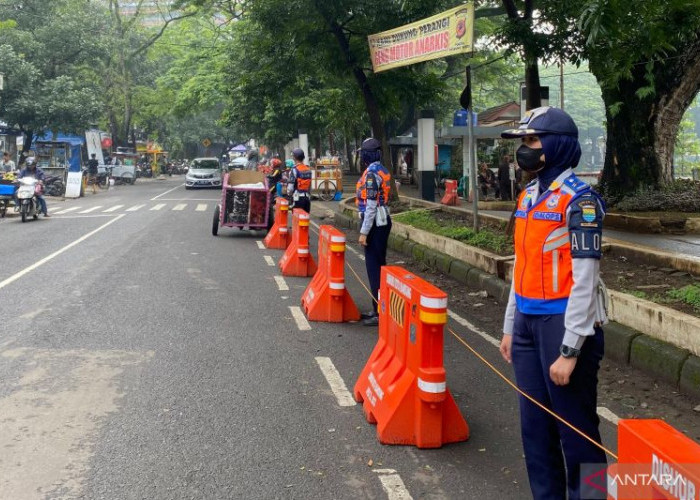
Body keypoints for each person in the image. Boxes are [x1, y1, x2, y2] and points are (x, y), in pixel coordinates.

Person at [498, 106, 607, 500]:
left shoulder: (581, 201)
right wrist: (511, 326)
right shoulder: (527, 196)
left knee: (578, 435)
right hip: (528, 324)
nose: (524, 149)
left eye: (532, 140)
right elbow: (522, 266)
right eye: (523, 142)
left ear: (557, 145)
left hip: (563, 324)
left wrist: (571, 346)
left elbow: (585, 281)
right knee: (535, 431)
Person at [355, 138, 392, 327]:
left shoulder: (370, 174)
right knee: (379, 265)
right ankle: (378, 308)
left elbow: (370, 206)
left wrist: (363, 232)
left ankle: (379, 311)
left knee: (374, 268)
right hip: (383, 219)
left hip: (375, 222)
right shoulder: (382, 170)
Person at [286, 148, 312, 213]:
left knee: (297, 220)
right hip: (307, 199)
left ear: (294, 158)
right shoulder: (308, 169)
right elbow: (310, 186)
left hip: (298, 198)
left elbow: (290, 188)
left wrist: (289, 194)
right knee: (305, 219)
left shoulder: (294, 170)